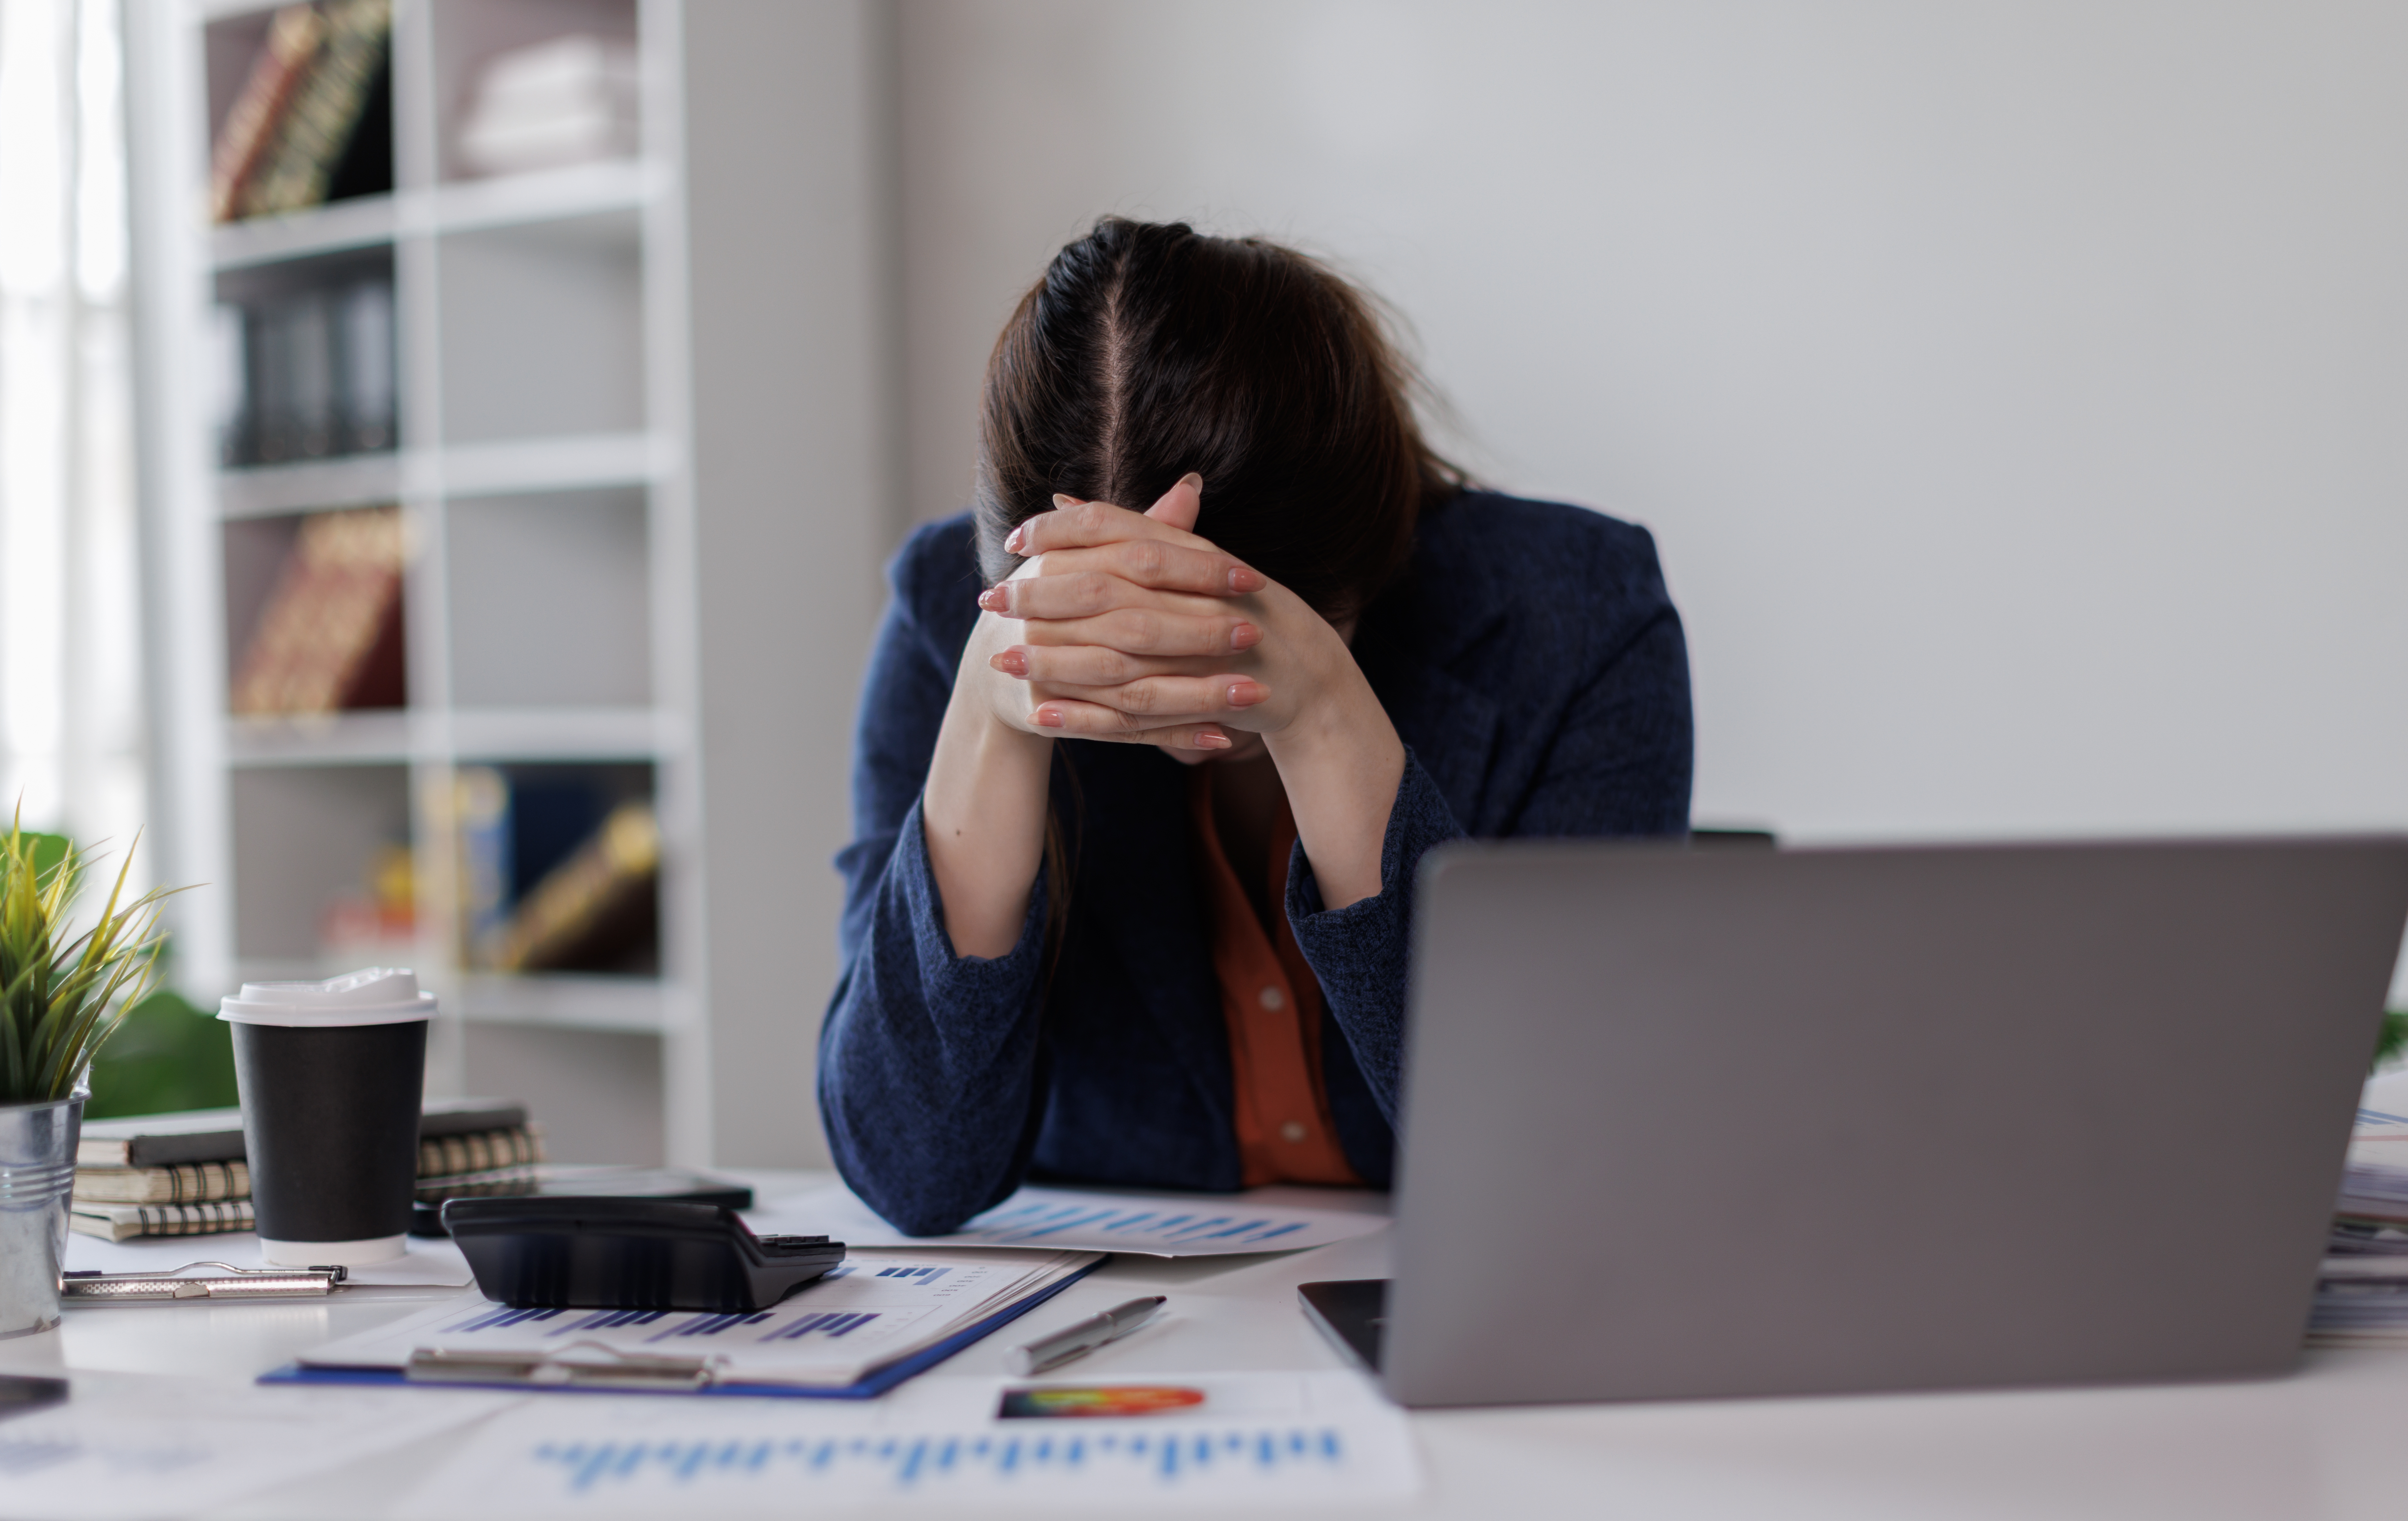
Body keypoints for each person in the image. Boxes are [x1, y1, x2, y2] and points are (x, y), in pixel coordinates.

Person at [821, 218, 1692, 1234]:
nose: (1172, 699)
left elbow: (1562, 1172)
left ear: (1366, 554)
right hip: (1112, 1320)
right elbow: (909, 1175)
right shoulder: (947, 607)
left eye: (1216, 634)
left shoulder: (1579, 613)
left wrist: (1324, 714)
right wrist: (996, 707)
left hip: (1457, 1307)